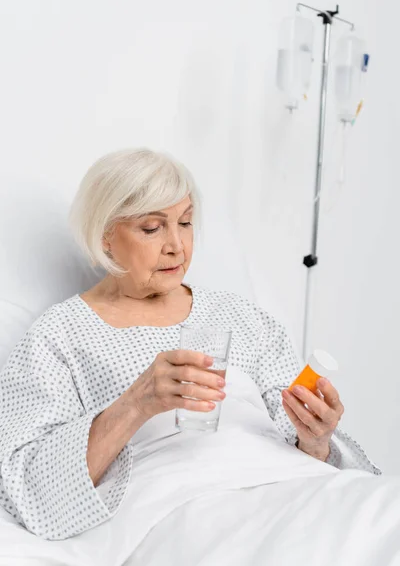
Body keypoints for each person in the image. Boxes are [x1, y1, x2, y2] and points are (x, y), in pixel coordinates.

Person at [0, 148, 381, 541]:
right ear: (105, 237)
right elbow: (30, 491)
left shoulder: (238, 315)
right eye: (152, 228)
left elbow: (307, 449)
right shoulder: (60, 336)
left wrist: (316, 438)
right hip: (187, 506)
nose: (176, 246)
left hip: (292, 486)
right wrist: (138, 403)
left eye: (185, 223)